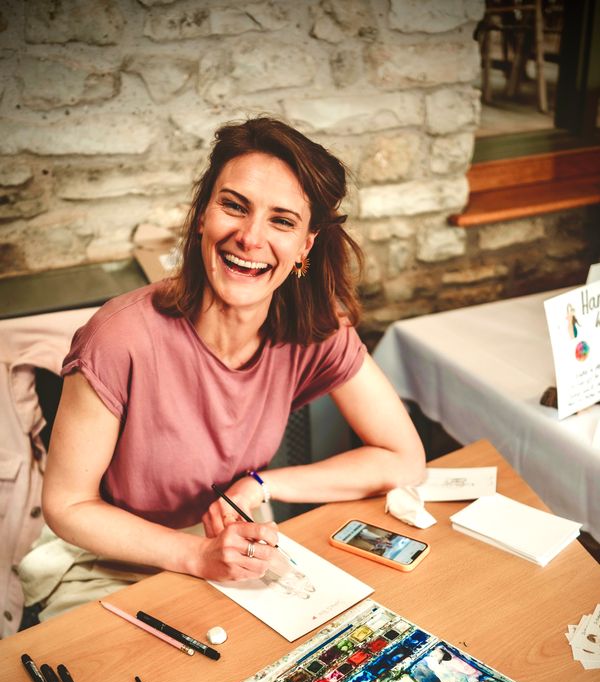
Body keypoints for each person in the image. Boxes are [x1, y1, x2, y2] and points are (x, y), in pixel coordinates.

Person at [21, 115, 425, 620]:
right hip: (110, 558)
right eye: (234, 207)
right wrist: (195, 555)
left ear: (305, 245)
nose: (251, 238)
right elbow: (68, 506)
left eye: (282, 220)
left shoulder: (317, 329)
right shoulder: (119, 335)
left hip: (234, 548)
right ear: (202, 216)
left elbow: (404, 459)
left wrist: (263, 484)